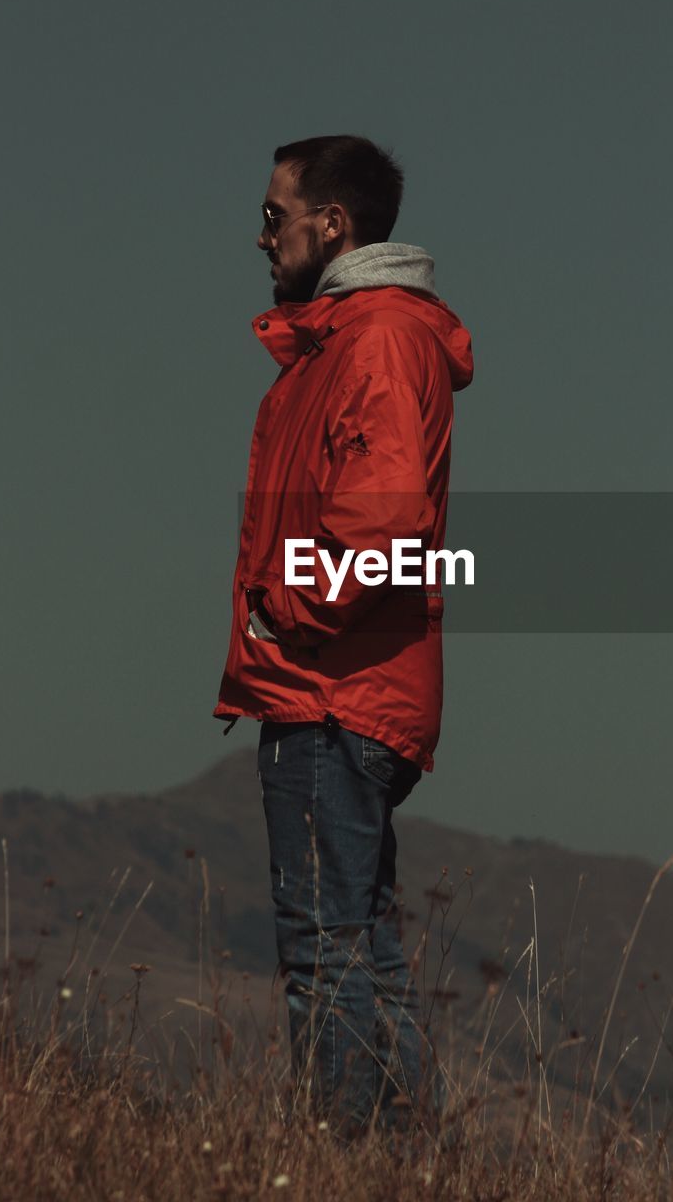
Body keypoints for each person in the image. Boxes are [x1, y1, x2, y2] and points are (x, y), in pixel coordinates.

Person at [214, 135, 473, 1137]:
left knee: (324, 954)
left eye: (275, 215)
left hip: (331, 692)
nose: (261, 235)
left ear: (334, 224)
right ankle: (405, 1160)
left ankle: (345, 1158)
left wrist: (285, 608)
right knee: (362, 951)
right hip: (356, 690)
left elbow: (384, 519)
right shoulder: (350, 342)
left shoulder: (372, 341)